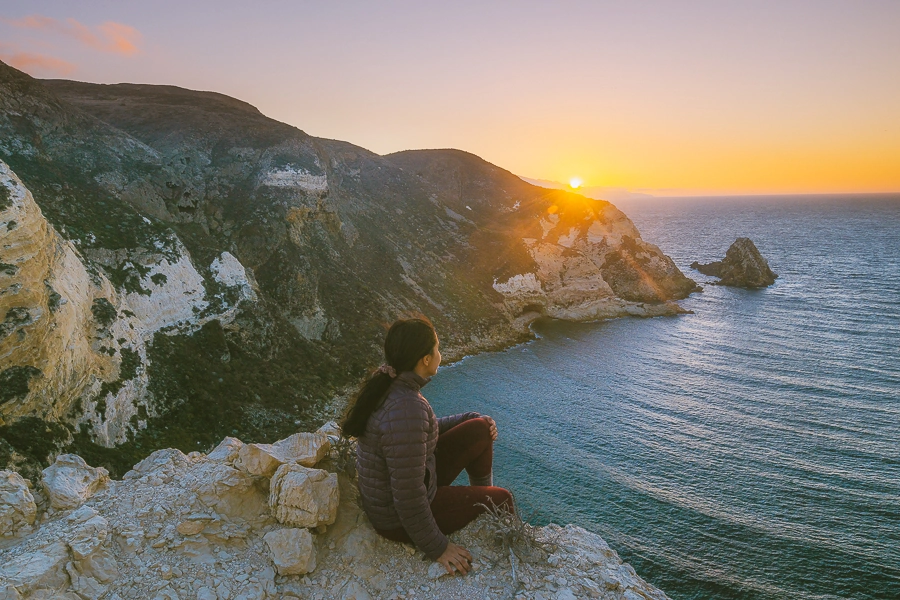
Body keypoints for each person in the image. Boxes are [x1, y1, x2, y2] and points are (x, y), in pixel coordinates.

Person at [340, 314, 515, 575]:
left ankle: (481, 500)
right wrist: (438, 547)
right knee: (503, 499)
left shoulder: (396, 387)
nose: (440, 354)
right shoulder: (407, 407)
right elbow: (408, 496)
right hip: (396, 519)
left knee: (480, 429)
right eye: (437, 349)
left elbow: (424, 428)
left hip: (419, 479)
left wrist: (471, 418)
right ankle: (488, 511)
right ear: (425, 360)